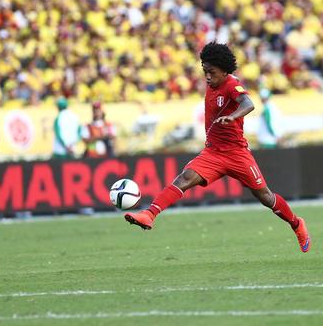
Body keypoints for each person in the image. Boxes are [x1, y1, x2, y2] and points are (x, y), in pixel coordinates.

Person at [124, 42, 311, 253]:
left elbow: (248, 103)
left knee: (265, 197)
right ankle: (149, 214)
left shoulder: (231, 84)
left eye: (211, 72)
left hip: (237, 154)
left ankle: (296, 224)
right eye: (205, 72)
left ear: (224, 70)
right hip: (213, 152)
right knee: (184, 178)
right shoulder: (212, 83)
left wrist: (232, 117)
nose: (207, 77)